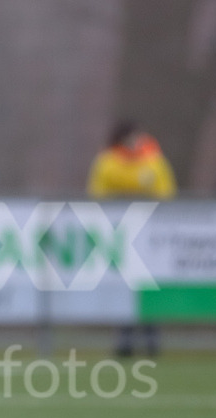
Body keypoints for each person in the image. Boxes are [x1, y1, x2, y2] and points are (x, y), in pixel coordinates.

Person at [86, 119, 177, 357]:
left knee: (149, 287)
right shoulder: (107, 162)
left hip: (149, 236)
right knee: (123, 288)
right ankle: (124, 341)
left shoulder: (153, 159)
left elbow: (166, 192)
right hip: (119, 237)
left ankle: (152, 340)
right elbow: (97, 194)